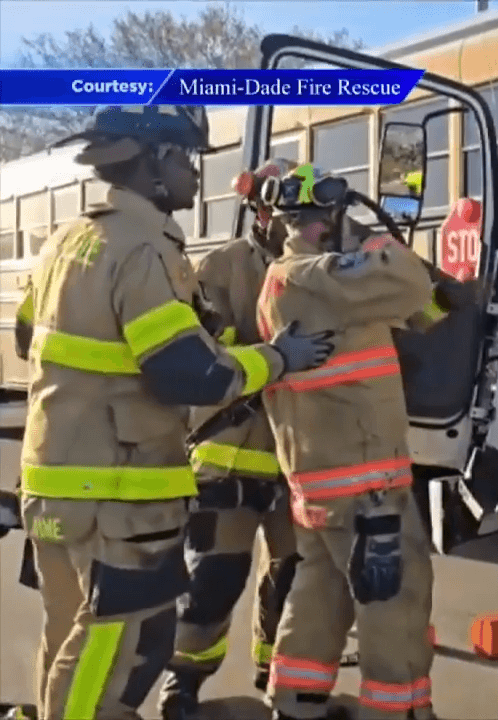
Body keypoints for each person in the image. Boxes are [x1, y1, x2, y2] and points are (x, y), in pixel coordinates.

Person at [17, 105, 336, 720]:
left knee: (68, 641)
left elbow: (28, 340)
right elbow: (190, 374)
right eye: (186, 161)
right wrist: (277, 357)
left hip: (54, 484)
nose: (195, 176)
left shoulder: (69, 239)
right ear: (156, 163)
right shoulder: (144, 249)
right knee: (116, 651)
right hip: (113, 493)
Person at [256, 164, 446, 720]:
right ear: (324, 224)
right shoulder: (317, 276)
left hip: (321, 482)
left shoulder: (290, 280)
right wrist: (375, 238)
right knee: (394, 599)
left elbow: (413, 311)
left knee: (323, 592)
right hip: (366, 484)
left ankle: (296, 699)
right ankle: (401, 711)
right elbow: (407, 281)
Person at [157, 158, 305, 720]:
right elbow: (204, 355)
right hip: (230, 453)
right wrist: (270, 355)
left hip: (297, 456)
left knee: (292, 575)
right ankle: (183, 683)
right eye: (281, 204)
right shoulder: (222, 268)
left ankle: (277, 670)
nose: (292, 216)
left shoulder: (319, 269)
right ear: (259, 210)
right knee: (215, 579)